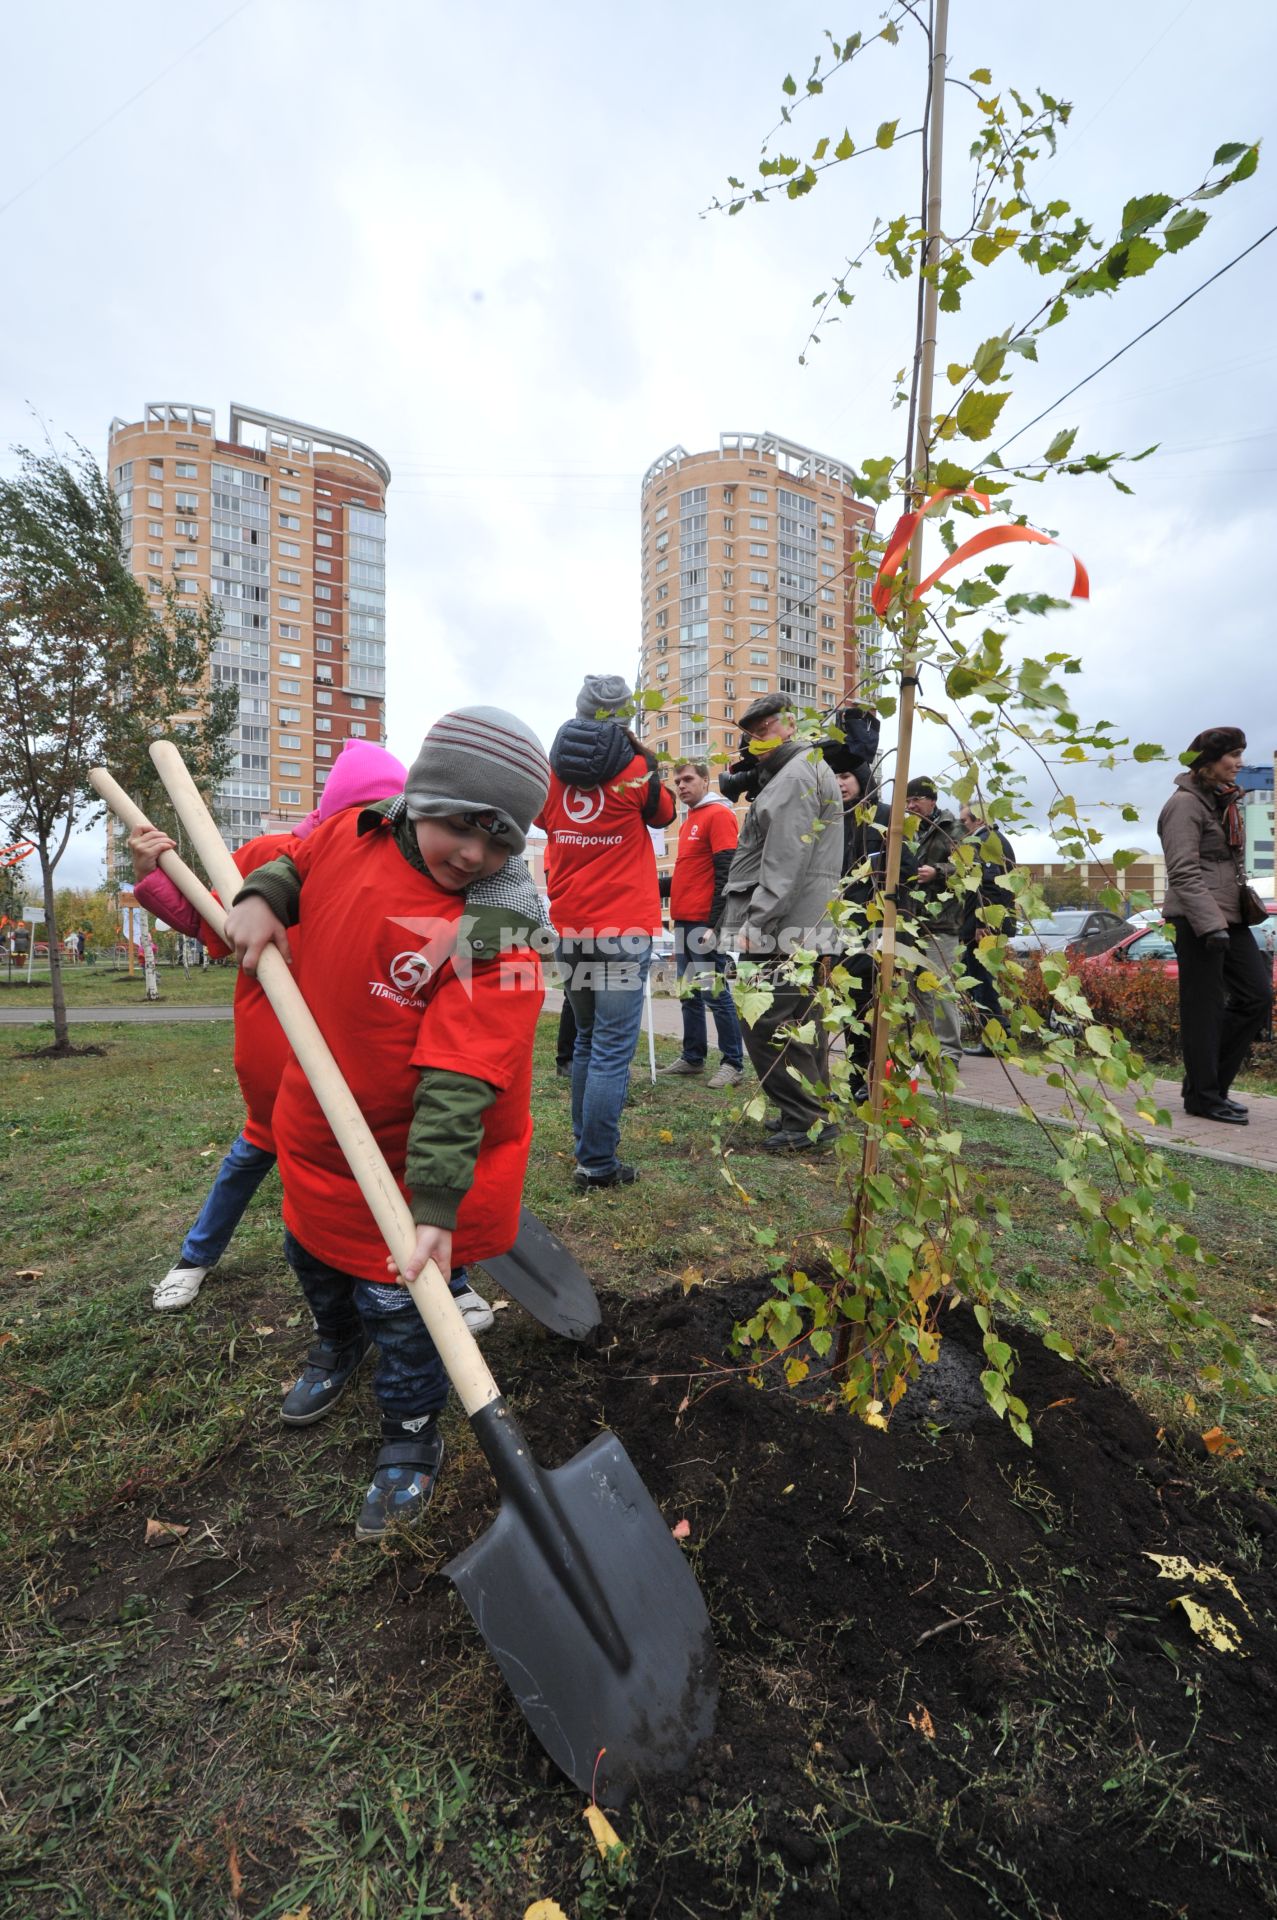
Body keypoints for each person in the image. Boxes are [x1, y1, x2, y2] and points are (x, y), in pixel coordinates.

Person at [222, 706, 550, 1540]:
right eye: (461, 825)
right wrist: (265, 896)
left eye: (501, 839)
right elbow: (295, 859)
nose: (476, 853)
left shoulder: (498, 938)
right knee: (312, 1260)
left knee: (403, 1314)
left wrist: (435, 1203)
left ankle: (408, 1440)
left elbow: (463, 1077)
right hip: (317, 1134)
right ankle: (334, 1348)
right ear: (419, 799)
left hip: (414, 1170)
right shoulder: (350, 838)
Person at [537, 674, 675, 1188]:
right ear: (625, 715)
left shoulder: (550, 772)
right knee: (613, 1047)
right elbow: (664, 815)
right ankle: (597, 1163)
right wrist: (650, 763)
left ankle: (586, 1150)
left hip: (571, 930)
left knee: (588, 1040)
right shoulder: (636, 770)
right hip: (624, 930)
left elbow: (544, 822)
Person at [718, 695, 843, 1152]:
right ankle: (810, 1114)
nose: (755, 741)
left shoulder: (792, 778)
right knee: (802, 1021)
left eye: (764, 729)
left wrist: (758, 920)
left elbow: (785, 860)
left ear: (789, 725)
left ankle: (807, 1117)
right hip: (806, 921)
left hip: (782, 924)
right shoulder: (806, 768)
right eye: (750, 734)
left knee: (766, 1022)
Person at [1157, 725, 1273, 1126]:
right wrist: (1210, 926)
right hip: (1196, 921)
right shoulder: (1184, 806)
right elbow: (1184, 872)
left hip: (1229, 916)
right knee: (1203, 1010)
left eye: (1241, 754)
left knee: (1256, 997)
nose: (1240, 762)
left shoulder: (1220, 800)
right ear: (1209, 760)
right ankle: (1205, 1097)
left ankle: (1205, 1087)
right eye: (1233, 755)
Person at [825, 746, 916, 1103]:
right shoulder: (833, 819)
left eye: (845, 776)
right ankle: (857, 1078)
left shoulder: (885, 816)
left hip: (877, 927)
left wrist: (886, 922)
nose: (839, 783)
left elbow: (905, 870)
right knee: (848, 1003)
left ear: (862, 779)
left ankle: (879, 1078)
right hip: (840, 928)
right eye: (834, 777)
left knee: (873, 1005)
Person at [658, 759, 745, 1088]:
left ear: (706, 782)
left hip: (703, 925)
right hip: (682, 922)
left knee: (715, 994)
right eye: (677, 780)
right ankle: (693, 1058)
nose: (681, 785)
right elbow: (684, 878)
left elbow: (728, 873)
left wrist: (716, 925)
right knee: (688, 994)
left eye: (687, 779)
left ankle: (733, 1062)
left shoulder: (719, 815)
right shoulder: (689, 820)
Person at [903, 777, 968, 1066]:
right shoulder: (909, 831)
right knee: (917, 990)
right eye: (907, 801)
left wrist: (939, 871)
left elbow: (968, 868)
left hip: (941, 923)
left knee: (941, 990)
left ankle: (950, 1052)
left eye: (915, 799)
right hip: (913, 922)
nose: (910, 806)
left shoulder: (954, 829)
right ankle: (926, 1044)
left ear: (931, 799)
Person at [957, 802, 1018, 1058]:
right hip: (981, 924)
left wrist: (983, 923)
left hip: (984, 926)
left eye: (965, 822)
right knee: (978, 980)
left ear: (978, 820)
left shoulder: (986, 842)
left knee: (981, 982)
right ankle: (997, 1036)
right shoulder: (990, 839)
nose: (962, 827)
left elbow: (991, 886)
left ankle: (995, 1040)